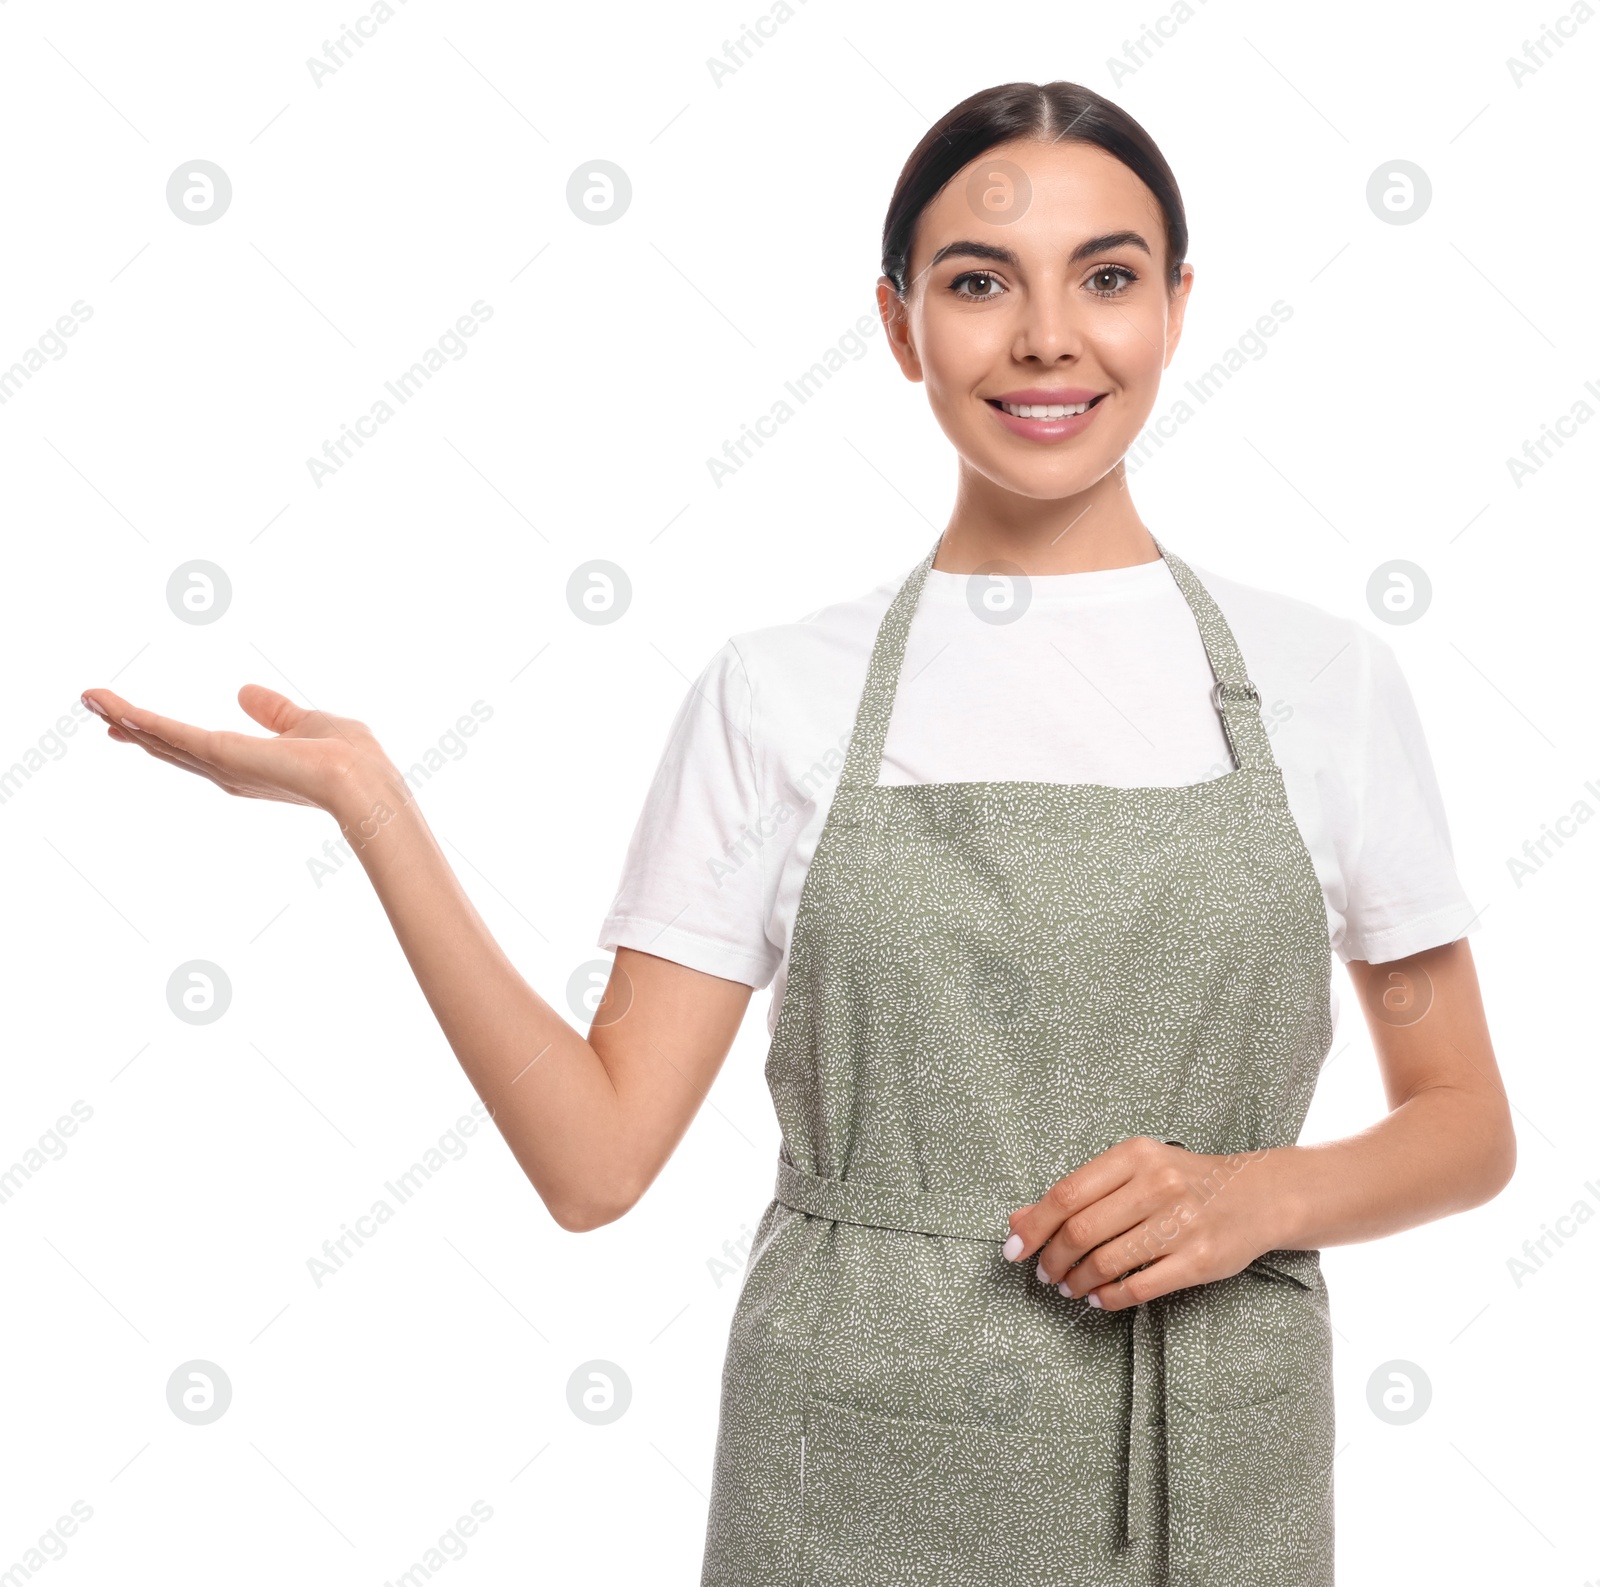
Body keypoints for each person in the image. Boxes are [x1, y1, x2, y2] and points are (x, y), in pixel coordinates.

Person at [83, 79, 1514, 1587]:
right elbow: (594, 1162)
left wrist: (1253, 1197)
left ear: (1175, 308)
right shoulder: (776, 694)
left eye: (1108, 277)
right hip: (851, 1463)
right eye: (979, 282)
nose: (1046, 337)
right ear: (900, 326)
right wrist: (376, 813)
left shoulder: (1327, 685)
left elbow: (1466, 1121)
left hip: (1213, 1464)